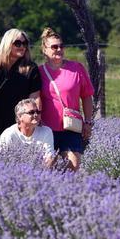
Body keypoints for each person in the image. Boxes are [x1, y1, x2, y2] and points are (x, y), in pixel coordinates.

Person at [37, 27, 95, 172]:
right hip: (46, 129)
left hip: (71, 127)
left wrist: (88, 122)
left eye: (61, 46)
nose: (59, 49)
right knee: (49, 170)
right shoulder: (39, 72)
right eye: (54, 47)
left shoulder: (76, 68)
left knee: (72, 168)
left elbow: (87, 96)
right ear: (44, 50)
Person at [0, 28, 41, 146]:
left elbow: (35, 96)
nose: (22, 47)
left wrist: (36, 116)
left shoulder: (30, 68)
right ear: (7, 44)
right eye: (18, 43)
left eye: (25, 43)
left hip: (17, 121)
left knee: (16, 154)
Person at [0, 97, 57, 167]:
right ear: (20, 116)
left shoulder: (46, 131)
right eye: (31, 112)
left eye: (37, 112)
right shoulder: (9, 134)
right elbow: (3, 162)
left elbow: (48, 160)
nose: (36, 115)